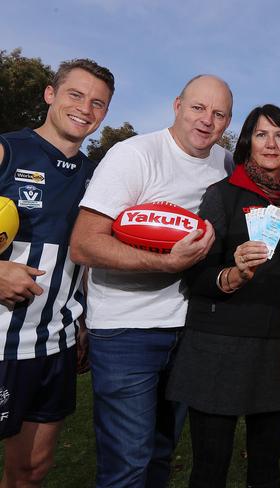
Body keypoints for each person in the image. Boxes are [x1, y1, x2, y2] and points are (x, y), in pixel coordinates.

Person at [69, 74, 233, 488]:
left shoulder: (224, 165)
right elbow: (84, 245)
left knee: (161, 454)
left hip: (186, 330)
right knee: (128, 463)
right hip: (127, 331)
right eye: (198, 108)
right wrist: (166, 262)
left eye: (219, 114)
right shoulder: (134, 155)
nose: (206, 121)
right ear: (176, 105)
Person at [167, 103, 280, 488]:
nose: (270, 143)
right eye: (262, 134)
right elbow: (194, 271)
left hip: (275, 348)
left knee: (266, 465)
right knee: (210, 465)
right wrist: (231, 275)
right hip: (219, 345)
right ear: (248, 142)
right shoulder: (223, 194)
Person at [0, 59, 114, 487]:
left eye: (98, 103)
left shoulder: (96, 177)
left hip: (55, 343)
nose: (86, 108)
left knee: (31, 470)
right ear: (50, 94)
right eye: (76, 94)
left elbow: (83, 254)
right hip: (0, 339)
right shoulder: (8, 150)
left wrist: (82, 320)